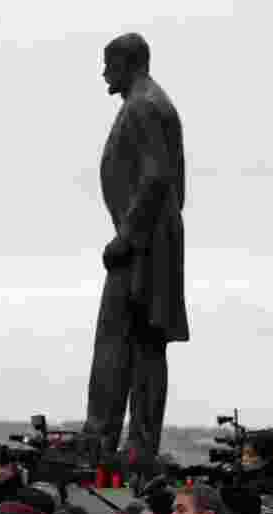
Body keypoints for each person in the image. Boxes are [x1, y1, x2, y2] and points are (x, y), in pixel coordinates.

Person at [84, 32, 188, 460]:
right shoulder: (150, 103)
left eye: (108, 63)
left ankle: (103, 438)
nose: (104, 72)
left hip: (142, 244)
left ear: (128, 63)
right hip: (154, 239)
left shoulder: (144, 106)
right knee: (144, 343)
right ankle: (136, 445)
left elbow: (158, 177)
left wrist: (127, 237)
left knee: (117, 340)